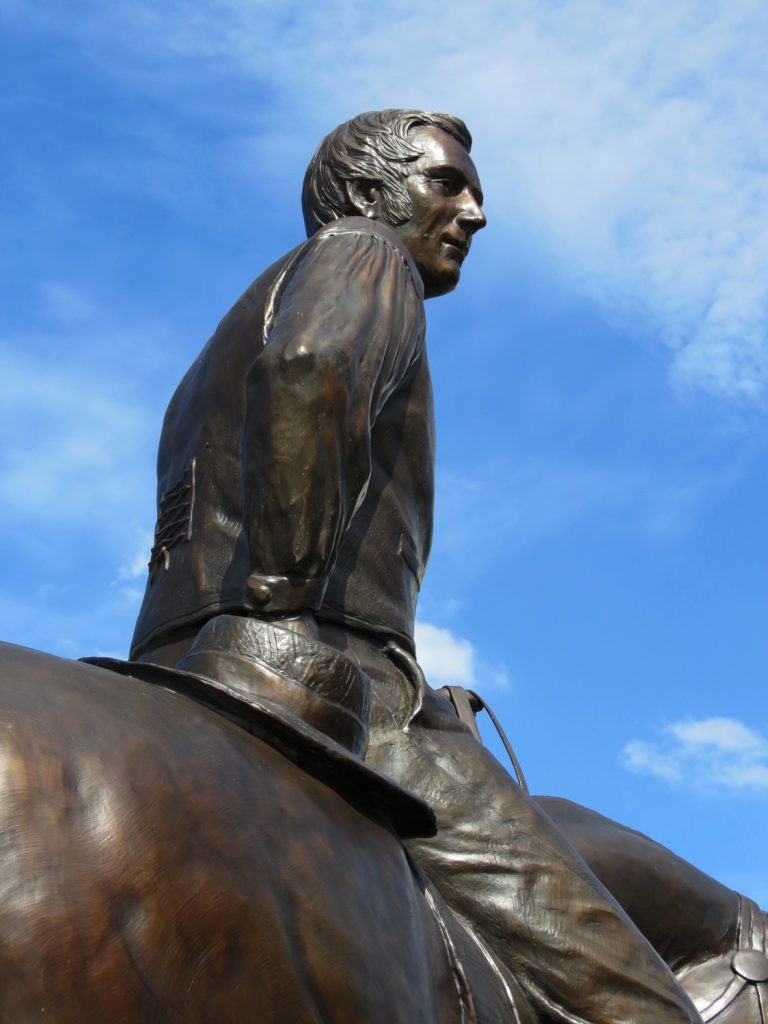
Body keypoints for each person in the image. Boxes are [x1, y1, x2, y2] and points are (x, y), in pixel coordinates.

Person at [130, 109, 705, 1022]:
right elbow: (315, 367)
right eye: (447, 184)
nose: (475, 212)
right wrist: (286, 592)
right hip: (326, 683)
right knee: (643, 1003)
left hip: (164, 666)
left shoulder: (209, 356)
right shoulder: (364, 253)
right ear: (369, 195)